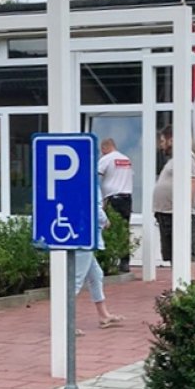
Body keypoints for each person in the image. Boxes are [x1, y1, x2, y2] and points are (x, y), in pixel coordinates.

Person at [73, 188, 124, 334]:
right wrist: (105, 221)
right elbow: (94, 207)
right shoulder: (89, 180)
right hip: (85, 238)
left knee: (96, 275)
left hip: (81, 234)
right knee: (76, 281)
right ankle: (64, 322)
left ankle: (103, 315)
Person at [152, 125, 195, 267]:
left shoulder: (187, 158)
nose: (161, 146)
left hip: (177, 214)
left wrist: (183, 210)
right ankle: (177, 285)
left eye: (162, 141)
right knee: (172, 253)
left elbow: (192, 182)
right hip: (166, 213)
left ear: (171, 140)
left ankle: (189, 286)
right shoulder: (173, 160)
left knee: (186, 252)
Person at [98, 138, 133, 272]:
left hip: (113, 198)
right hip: (127, 198)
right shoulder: (126, 159)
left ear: (105, 148)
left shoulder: (107, 159)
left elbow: (94, 174)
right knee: (123, 231)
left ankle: (106, 261)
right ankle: (125, 263)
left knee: (106, 228)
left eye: (102, 151)